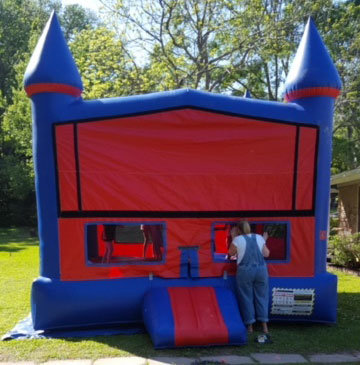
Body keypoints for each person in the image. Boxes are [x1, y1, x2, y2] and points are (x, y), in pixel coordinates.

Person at [228, 220, 271, 340]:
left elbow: (230, 253)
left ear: (238, 230)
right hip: (261, 270)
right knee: (262, 297)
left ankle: (250, 326)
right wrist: (264, 240)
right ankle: (264, 326)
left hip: (245, 271)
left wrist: (232, 237)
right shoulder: (259, 237)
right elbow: (266, 254)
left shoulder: (237, 240)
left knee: (247, 297)